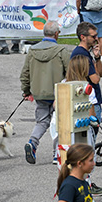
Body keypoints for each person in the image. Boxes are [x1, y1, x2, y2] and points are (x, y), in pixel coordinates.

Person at [21, 21, 70, 165]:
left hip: (39, 93)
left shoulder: (33, 50)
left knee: (42, 121)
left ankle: (33, 142)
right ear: (56, 34)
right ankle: (57, 154)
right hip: (58, 93)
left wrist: (26, 90)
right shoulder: (61, 51)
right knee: (60, 123)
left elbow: (25, 73)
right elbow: (70, 73)